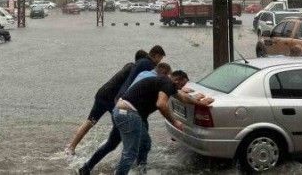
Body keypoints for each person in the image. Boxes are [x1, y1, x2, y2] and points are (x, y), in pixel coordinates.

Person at [77, 45, 165, 174]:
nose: (159, 62)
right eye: (160, 58)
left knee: (113, 144)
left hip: (121, 107)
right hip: (132, 113)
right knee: (143, 144)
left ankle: (86, 167)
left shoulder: (142, 66)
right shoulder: (148, 66)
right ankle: (141, 170)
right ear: (156, 56)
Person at [112, 70, 213, 175]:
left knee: (145, 144)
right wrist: (174, 122)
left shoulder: (166, 83)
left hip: (127, 113)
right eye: (182, 84)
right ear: (177, 80)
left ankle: (141, 171)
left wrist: (200, 103)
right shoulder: (167, 84)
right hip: (127, 114)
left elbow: (183, 97)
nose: (182, 87)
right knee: (130, 152)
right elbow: (161, 104)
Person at [65, 49, 149, 156]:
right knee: (122, 125)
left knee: (90, 122)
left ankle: (71, 147)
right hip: (111, 100)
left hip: (102, 94)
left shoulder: (129, 65)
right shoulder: (134, 71)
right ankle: (127, 151)